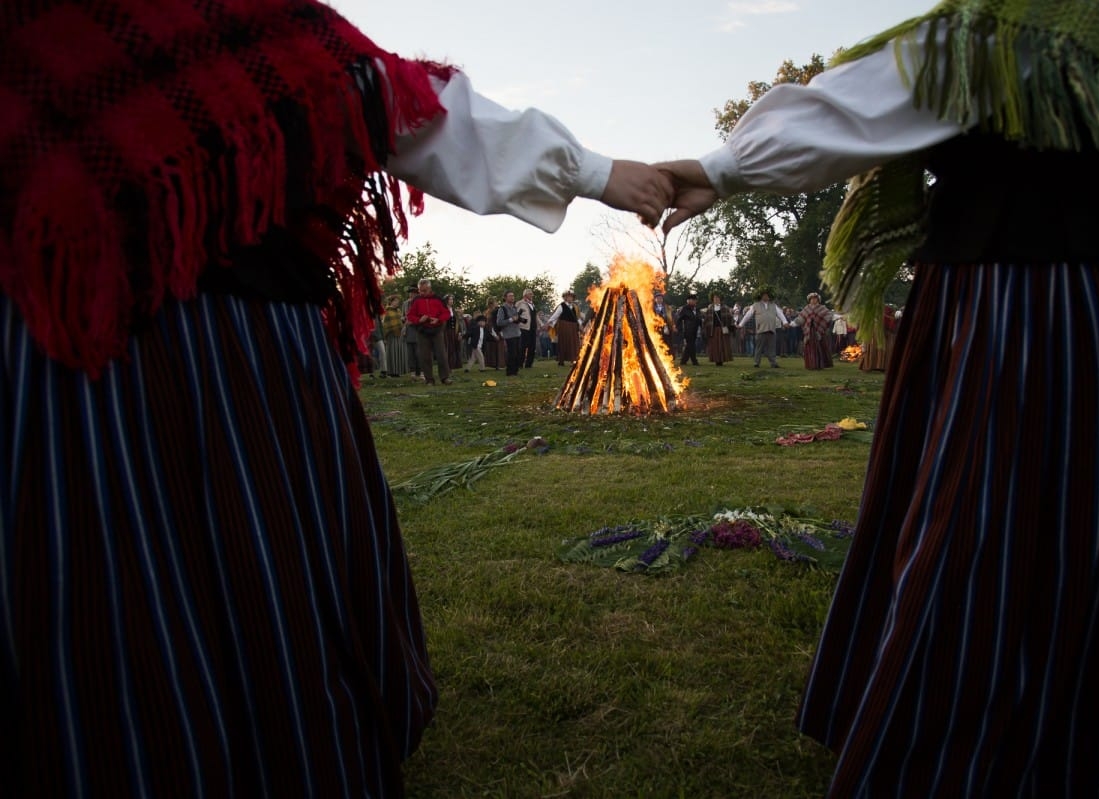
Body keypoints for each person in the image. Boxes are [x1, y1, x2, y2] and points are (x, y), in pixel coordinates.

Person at [0, 1, 673, 795]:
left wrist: (596, 172)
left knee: (255, 580)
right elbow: (393, 100)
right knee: (129, 591)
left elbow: (380, 96)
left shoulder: (246, 27)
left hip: (198, 358)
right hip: (130, 362)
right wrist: (597, 171)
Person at [656, 0, 1099, 795]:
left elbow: (880, 96)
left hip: (1024, 299)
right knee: (1092, 516)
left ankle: (955, 752)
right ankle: (1080, 734)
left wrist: (719, 168)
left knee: (988, 520)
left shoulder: (1008, 28)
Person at [407, 279, 453, 385]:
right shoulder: (416, 300)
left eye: (424, 290)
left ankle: (445, 377)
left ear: (430, 288)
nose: (422, 293)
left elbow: (446, 313)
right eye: (420, 291)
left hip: (437, 330)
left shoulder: (438, 299)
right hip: (422, 331)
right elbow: (410, 316)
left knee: (441, 354)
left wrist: (438, 319)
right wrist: (419, 320)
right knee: (425, 356)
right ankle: (429, 379)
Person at [738, 289, 788, 367]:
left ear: (769, 296)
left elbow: (780, 314)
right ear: (761, 296)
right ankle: (756, 362)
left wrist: (785, 322)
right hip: (760, 329)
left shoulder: (773, 305)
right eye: (764, 295)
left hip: (771, 329)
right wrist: (741, 324)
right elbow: (748, 315)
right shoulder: (755, 305)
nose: (766, 296)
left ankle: (773, 363)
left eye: (767, 295)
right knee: (759, 347)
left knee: (772, 347)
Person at [794, 292, 834, 370]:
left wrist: (828, 320)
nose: (813, 300)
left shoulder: (822, 308)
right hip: (809, 331)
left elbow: (829, 315)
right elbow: (801, 318)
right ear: (809, 300)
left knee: (820, 347)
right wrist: (794, 323)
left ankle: (820, 364)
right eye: (812, 299)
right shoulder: (807, 308)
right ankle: (811, 364)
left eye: (815, 299)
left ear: (818, 300)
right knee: (810, 347)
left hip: (818, 331)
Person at [545, 290, 583, 366]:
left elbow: (578, 318)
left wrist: (581, 325)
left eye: (571, 297)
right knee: (563, 343)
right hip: (564, 327)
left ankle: (573, 360)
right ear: (565, 298)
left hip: (573, 327)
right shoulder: (561, 306)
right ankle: (561, 360)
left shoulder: (575, 307)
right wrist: (549, 322)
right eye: (568, 296)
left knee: (573, 344)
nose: (570, 298)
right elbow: (555, 315)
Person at [496, 291, 525, 376]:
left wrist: (520, 319)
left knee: (518, 353)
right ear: (505, 298)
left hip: (517, 332)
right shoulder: (502, 309)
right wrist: (511, 319)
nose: (512, 297)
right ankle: (510, 371)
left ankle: (515, 371)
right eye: (510, 296)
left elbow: (516, 319)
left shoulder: (514, 308)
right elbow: (499, 322)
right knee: (511, 353)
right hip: (509, 334)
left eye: (513, 295)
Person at [702, 293, 736, 366]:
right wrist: (705, 329)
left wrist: (731, 327)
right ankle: (716, 360)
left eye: (718, 298)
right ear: (712, 299)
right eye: (715, 298)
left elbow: (730, 319)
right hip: (713, 330)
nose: (716, 299)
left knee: (722, 346)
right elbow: (706, 320)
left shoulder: (725, 307)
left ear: (720, 299)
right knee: (715, 346)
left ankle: (722, 359)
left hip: (722, 330)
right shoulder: (710, 308)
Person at [675, 293, 703, 366]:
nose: (694, 301)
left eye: (695, 300)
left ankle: (684, 360)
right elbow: (679, 319)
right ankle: (694, 361)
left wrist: (702, 325)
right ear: (688, 301)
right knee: (692, 345)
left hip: (695, 330)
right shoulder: (685, 308)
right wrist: (678, 328)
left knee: (689, 346)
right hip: (688, 330)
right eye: (692, 300)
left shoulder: (697, 309)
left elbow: (699, 319)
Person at [517, 288, 539, 368]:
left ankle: (529, 364)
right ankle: (520, 363)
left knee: (532, 346)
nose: (532, 295)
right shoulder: (520, 303)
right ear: (525, 295)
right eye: (530, 294)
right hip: (524, 328)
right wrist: (521, 321)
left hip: (532, 328)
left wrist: (541, 324)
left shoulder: (532, 304)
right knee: (523, 346)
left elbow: (535, 316)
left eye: (532, 294)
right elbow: (516, 315)